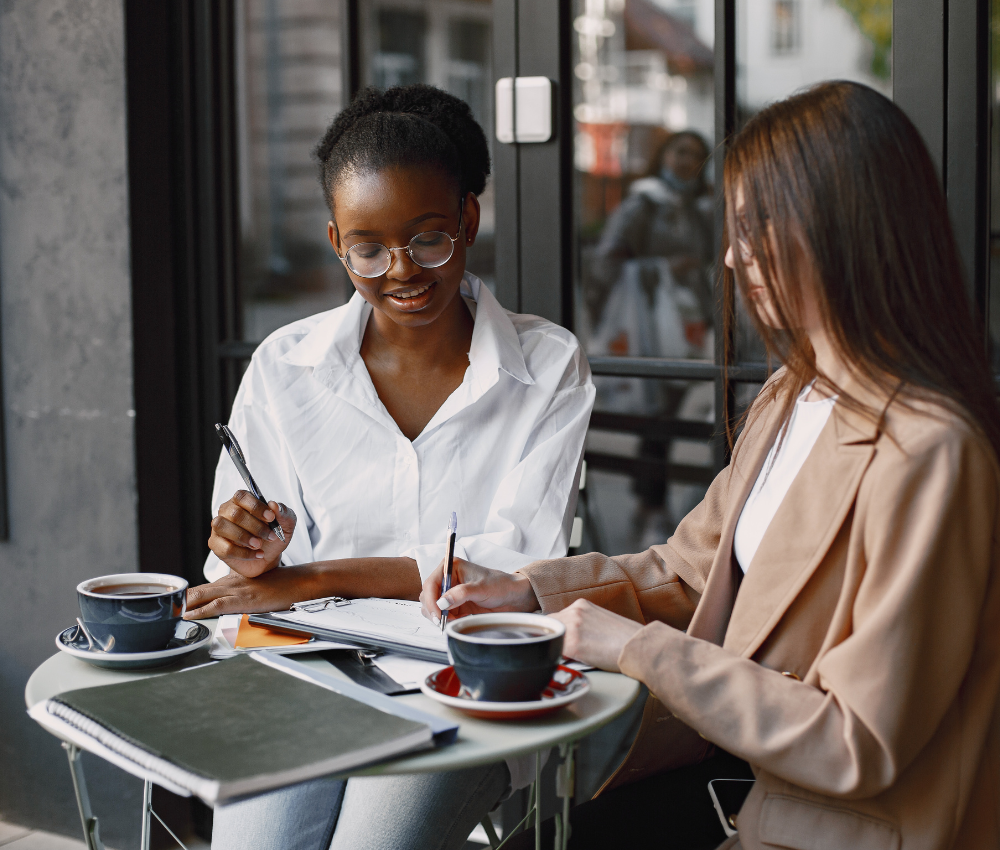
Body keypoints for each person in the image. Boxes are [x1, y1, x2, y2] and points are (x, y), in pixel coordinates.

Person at [420, 81, 1000, 850]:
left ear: (839, 231)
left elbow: (857, 739)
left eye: (756, 227)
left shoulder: (931, 452)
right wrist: (525, 591)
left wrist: (634, 649)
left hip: (841, 824)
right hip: (740, 783)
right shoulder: (791, 395)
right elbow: (687, 570)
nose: (731, 255)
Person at [190, 84, 595, 850]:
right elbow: (247, 571)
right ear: (338, 242)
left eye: (429, 238)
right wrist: (248, 543)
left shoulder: (548, 365)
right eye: (368, 248)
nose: (401, 270)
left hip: (464, 692)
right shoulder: (286, 367)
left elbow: (506, 571)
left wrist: (313, 576)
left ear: (469, 220)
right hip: (306, 680)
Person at [586, 131, 715, 547]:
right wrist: (662, 268)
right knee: (656, 420)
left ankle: (652, 507)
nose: (687, 161)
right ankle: (651, 508)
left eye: (696, 155)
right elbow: (605, 261)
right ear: (663, 154)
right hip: (649, 330)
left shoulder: (700, 208)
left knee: (666, 420)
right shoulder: (643, 203)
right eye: (680, 151)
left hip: (687, 327)